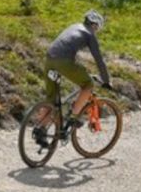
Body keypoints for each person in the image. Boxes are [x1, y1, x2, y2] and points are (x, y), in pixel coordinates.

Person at [35, 10, 111, 144]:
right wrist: (106, 81)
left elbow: (65, 47)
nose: (96, 31)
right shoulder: (89, 34)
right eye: (97, 28)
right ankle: (74, 117)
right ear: (94, 25)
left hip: (49, 60)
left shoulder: (73, 27)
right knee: (88, 84)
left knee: (52, 100)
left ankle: (40, 129)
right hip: (63, 62)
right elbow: (99, 60)